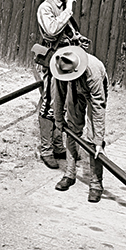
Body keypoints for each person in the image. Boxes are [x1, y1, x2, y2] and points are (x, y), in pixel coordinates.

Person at [35, 0, 87, 169]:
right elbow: (51, 31)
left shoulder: (63, 6)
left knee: (61, 105)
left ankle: (57, 146)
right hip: (53, 62)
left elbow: (66, 31)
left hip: (66, 61)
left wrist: (77, 38)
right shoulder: (47, 8)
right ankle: (46, 149)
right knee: (48, 104)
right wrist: (68, 12)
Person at [49, 46, 109, 202]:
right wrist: (59, 120)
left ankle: (96, 183)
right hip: (75, 88)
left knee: (93, 137)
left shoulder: (93, 72)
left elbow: (98, 107)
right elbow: (59, 96)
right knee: (71, 128)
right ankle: (69, 174)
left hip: (94, 91)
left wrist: (98, 141)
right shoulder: (61, 67)